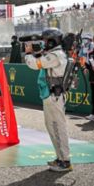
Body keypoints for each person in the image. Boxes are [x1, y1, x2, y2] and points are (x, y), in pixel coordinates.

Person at [24, 28, 72, 172]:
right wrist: (37, 53)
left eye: (46, 40)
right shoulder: (54, 54)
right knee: (52, 127)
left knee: (57, 127)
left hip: (54, 96)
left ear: (52, 40)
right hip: (51, 95)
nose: (44, 43)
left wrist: (28, 53)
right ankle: (60, 158)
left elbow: (34, 64)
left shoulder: (56, 55)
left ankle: (65, 161)